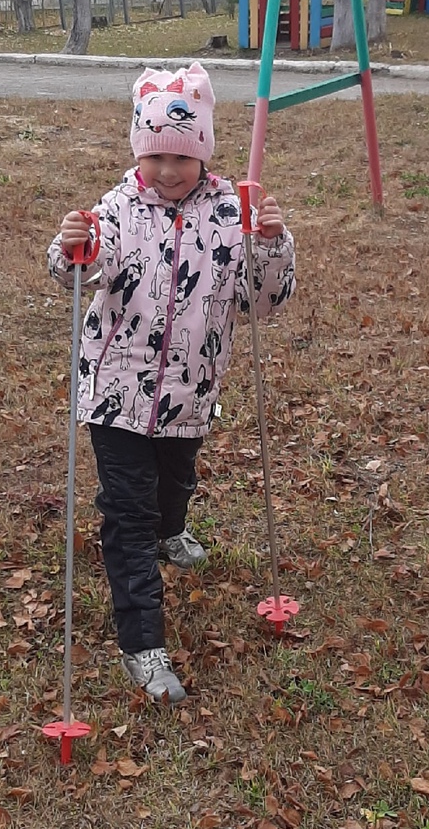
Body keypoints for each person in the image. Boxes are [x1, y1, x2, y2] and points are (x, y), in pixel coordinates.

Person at [48, 61, 295, 705]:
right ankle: (143, 643)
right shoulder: (118, 209)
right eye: (154, 154)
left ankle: (170, 529)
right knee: (127, 514)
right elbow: (82, 269)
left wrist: (270, 244)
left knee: (175, 484)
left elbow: (262, 303)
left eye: (180, 156)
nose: (165, 169)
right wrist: (73, 248)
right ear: (139, 150)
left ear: (203, 150)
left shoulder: (230, 212)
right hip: (116, 393)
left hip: (190, 392)